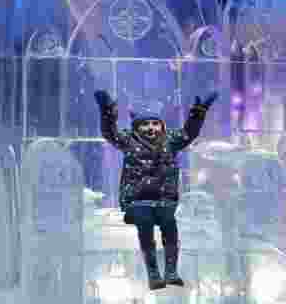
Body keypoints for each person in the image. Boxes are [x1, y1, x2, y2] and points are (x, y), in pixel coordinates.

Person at [93, 89, 218, 290]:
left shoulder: (170, 140)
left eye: (154, 123)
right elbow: (110, 133)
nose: (150, 128)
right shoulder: (128, 140)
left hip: (164, 199)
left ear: (161, 125)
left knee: (170, 227)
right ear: (136, 126)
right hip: (137, 200)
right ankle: (153, 273)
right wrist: (107, 110)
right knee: (145, 227)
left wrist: (198, 113)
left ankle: (170, 271)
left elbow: (189, 133)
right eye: (145, 124)